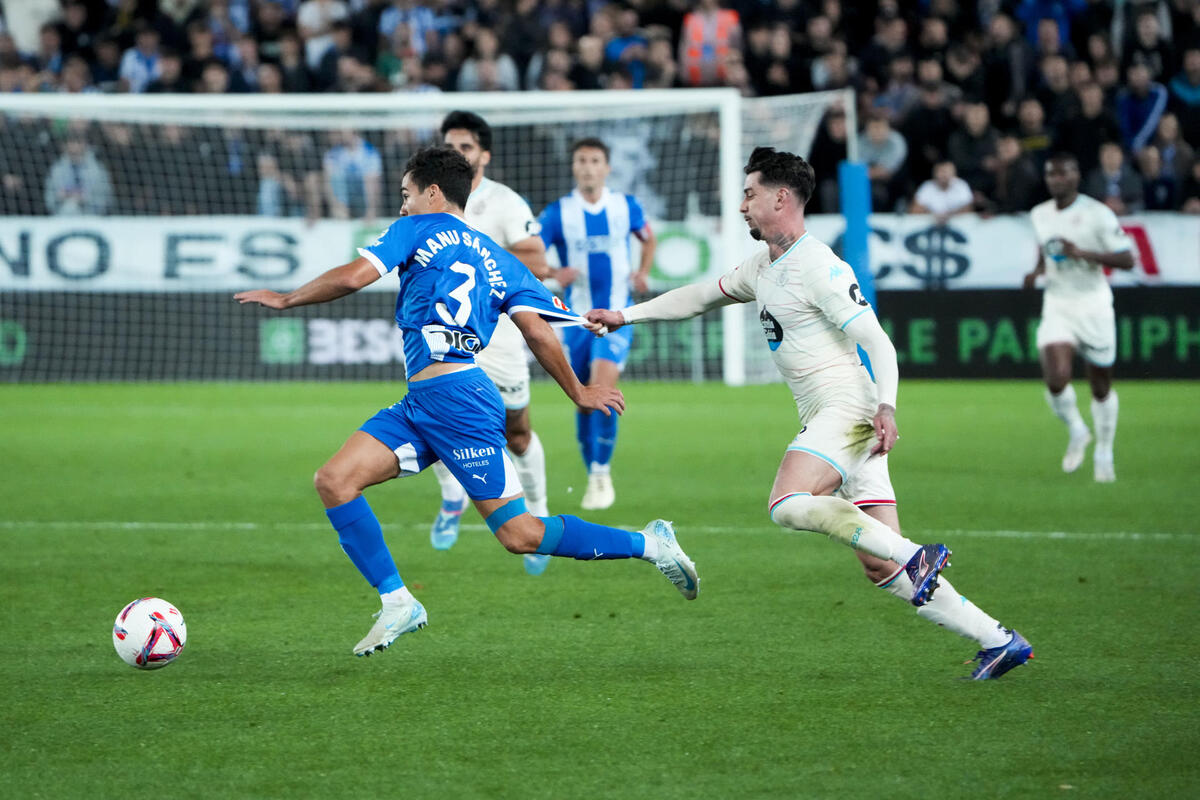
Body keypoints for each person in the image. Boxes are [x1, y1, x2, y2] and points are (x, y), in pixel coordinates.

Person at [585, 147, 1032, 680]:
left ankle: (916, 553)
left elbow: (878, 343)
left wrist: (886, 406)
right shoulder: (764, 264)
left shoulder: (819, 265)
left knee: (787, 502)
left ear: (781, 198)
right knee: (877, 564)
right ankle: (998, 639)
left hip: (848, 409)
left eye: (750, 194)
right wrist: (624, 316)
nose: (743, 205)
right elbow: (701, 296)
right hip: (839, 415)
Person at [234, 146, 698, 657]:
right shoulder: (500, 257)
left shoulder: (415, 229)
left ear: (432, 193)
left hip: (458, 402)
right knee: (334, 480)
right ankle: (397, 602)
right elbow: (538, 332)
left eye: (406, 194)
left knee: (520, 534)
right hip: (426, 402)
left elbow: (352, 277)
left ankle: (651, 544)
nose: (403, 205)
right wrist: (578, 391)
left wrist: (285, 298)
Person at [428, 110, 555, 578]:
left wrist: (474, 250)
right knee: (436, 422)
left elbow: (536, 259)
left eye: (464, 147)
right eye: (449, 145)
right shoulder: (429, 199)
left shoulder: (504, 202)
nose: (456, 154)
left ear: (483, 154)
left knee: (516, 432)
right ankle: (450, 499)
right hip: (442, 333)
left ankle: (538, 514)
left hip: (498, 337)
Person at [538, 137, 656, 512]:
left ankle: (602, 473)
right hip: (576, 320)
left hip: (618, 314)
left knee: (602, 389)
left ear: (606, 168)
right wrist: (555, 271)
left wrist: (643, 271)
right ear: (574, 167)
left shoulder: (625, 206)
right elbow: (531, 254)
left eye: (594, 161)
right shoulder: (558, 213)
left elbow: (648, 238)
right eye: (582, 161)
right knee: (584, 400)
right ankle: (593, 472)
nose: (588, 167)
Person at [1023, 153, 1136, 483]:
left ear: (1076, 176)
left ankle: (1104, 449)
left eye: (1064, 172)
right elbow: (1047, 250)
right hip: (1058, 301)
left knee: (1100, 385)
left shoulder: (1097, 214)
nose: (1057, 179)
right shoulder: (1039, 214)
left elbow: (1128, 259)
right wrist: (1037, 271)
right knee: (1056, 377)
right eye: (1051, 174)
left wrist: (1083, 253)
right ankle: (1076, 429)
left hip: (1094, 304)